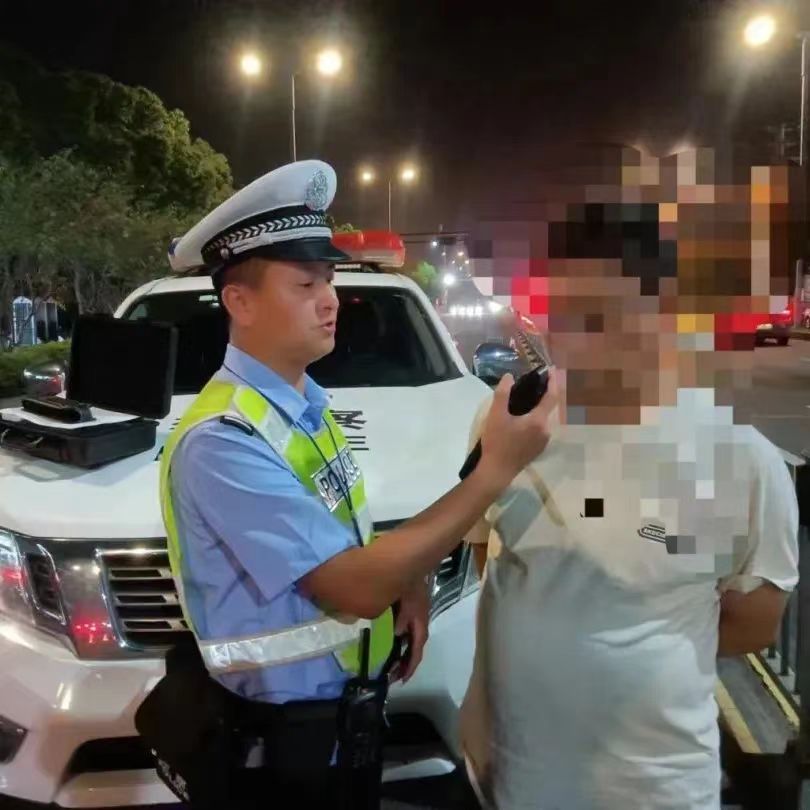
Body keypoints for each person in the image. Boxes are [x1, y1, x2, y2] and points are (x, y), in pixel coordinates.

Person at [147, 160, 556, 808]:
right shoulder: (221, 441)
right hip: (274, 760)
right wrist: (496, 470)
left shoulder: (305, 407)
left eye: (329, 280)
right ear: (240, 302)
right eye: (305, 284)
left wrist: (411, 580)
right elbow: (355, 586)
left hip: (338, 732)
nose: (330, 299)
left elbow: (349, 541)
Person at [460, 146, 800, 810]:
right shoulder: (508, 423)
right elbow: (489, 567)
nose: (576, 343)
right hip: (522, 781)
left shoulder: (741, 457)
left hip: (663, 789)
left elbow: (756, 623)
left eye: (604, 317)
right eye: (565, 316)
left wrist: (642, 637)